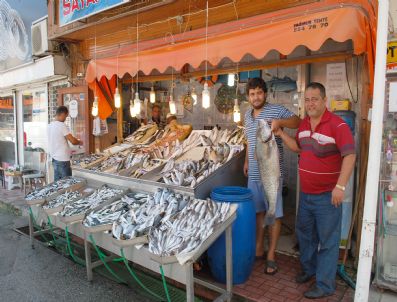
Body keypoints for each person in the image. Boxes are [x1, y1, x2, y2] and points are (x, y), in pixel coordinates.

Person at [273, 82, 356, 299]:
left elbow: (350, 155)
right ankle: (309, 270)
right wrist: (281, 133)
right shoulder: (304, 125)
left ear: (324, 100)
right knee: (305, 236)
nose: (310, 103)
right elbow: (299, 148)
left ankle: (325, 285)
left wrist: (340, 186)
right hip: (306, 195)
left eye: (314, 99)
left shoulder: (338, 125)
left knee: (328, 242)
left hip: (328, 197)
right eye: (307, 99)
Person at [243, 77, 300, 275]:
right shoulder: (247, 116)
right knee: (258, 212)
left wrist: (280, 123)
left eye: (259, 93)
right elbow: (250, 140)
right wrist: (246, 162)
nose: (256, 97)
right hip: (254, 176)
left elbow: (298, 120)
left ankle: (271, 255)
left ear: (265, 93)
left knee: (274, 213)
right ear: (248, 97)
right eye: (252, 94)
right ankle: (259, 248)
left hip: (273, 174)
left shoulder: (276, 110)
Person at [48, 106, 82, 181]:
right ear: (62, 114)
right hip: (62, 160)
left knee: (57, 184)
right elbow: (73, 141)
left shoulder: (50, 125)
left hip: (54, 159)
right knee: (67, 183)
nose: (65, 119)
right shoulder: (61, 125)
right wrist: (80, 142)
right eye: (66, 117)